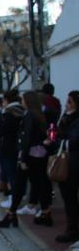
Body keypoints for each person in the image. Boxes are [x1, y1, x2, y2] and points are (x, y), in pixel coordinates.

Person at [0, 91, 52, 228]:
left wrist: (22, 159)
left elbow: (26, 138)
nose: (21, 101)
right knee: (37, 184)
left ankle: (11, 214)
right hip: (38, 154)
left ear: (28, 101)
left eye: (23, 99)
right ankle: (45, 212)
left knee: (20, 185)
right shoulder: (39, 115)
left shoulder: (29, 116)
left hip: (29, 156)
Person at [51, 91, 79, 242]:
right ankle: (72, 227)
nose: (67, 105)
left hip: (73, 163)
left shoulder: (75, 120)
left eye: (69, 102)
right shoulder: (66, 118)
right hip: (68, 162)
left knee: (71, 198)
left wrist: (56, 142)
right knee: (69, 198)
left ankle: (72, 230)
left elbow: (72, 142)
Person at [0, 90, 25, 205]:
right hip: (16, 145)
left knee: (11, 173)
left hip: (9, 146)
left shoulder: (9, 113)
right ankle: (13, 195)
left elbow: (4, 129)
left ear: (6, 100)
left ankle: (13, 199)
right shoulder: (21, 111)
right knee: (13, 173)